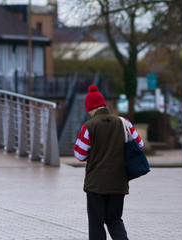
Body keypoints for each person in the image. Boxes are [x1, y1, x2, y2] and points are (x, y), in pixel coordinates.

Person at [74, 85, 144, 240]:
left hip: (96, 185)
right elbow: (140, 145)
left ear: (90, 109)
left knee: (96, 223)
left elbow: (79, 154)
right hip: (118, 183)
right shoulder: (124, 123)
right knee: (114, 219)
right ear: (104, 105)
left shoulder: (89, 126)